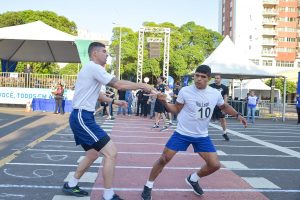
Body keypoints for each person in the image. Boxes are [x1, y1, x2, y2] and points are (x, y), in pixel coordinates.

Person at [141, 65, 247, 200]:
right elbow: (175, 109)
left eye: (203, 77)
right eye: (197, 76)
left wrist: (238, 115)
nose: (198, 79)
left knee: (215, 165)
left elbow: (224, 106)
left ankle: (193, 178)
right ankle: (148, 186)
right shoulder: (185, 91)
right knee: (163, 159)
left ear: (209, 79)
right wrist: (165, 102)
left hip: (201, 136)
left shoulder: (214, 93)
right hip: (182, 133)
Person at [63, 42, 153, 200]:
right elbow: (118, 84)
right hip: (82, 117)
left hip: (82, 117)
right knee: (111, 153)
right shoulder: (94, 67)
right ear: (94, 54)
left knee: (92, 154)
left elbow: (97, 95)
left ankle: (71, 184)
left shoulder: (92, 70)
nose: (107, 55)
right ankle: (108, 194)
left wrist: (114, 102)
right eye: (104, 51)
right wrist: (141, 85)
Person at [209, 74, 230, 141]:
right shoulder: (210, 86)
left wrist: (224, 106)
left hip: (220, 106)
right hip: (211, 105)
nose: (216, 79)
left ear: (221, 79)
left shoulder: (224, 87)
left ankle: (224, 132)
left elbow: (225, 97)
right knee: (205, 119)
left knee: (223, 120)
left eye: (217, 78)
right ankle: (200, 134)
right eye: (215, 78)